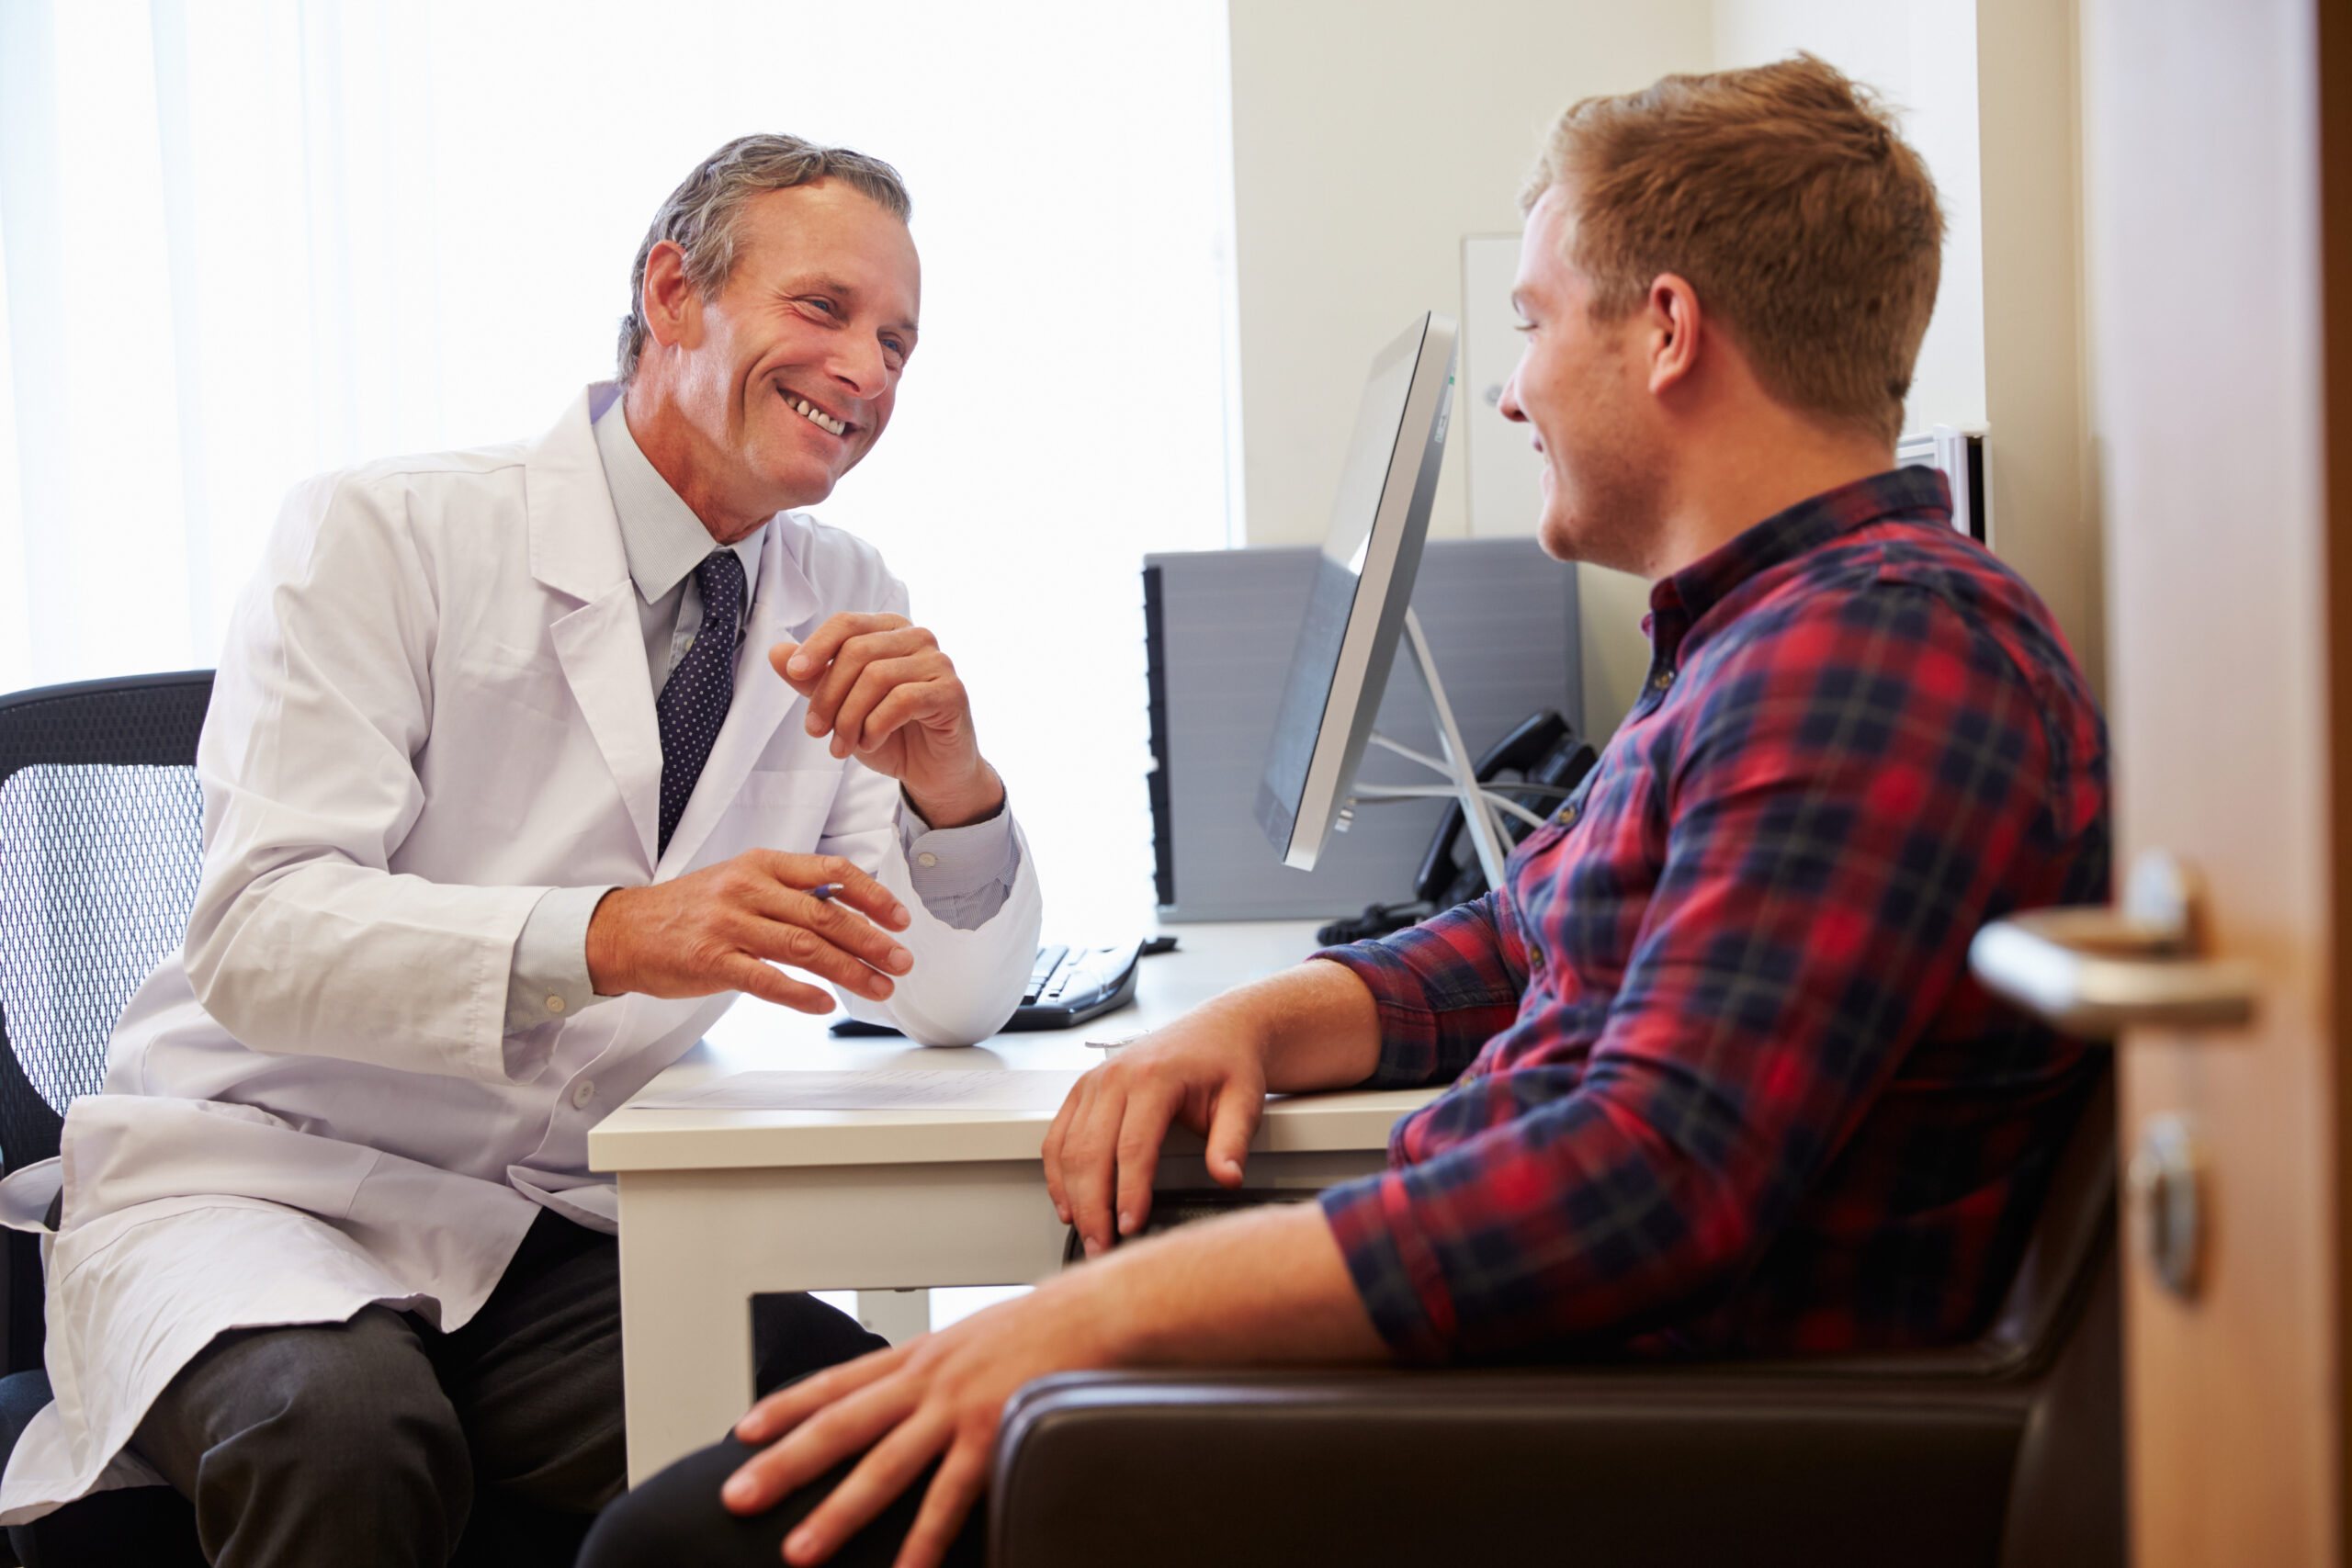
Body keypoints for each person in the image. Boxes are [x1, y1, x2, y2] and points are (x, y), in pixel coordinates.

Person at [580, 53, 2111, 1568]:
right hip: (1542, 1395)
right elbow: (1518, 942)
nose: (1513, 391)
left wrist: (1068, 1331)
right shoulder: (1771, 639)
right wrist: (1250, 1024)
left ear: (1664, 333)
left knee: (679, 1548)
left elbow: (1644, 1182)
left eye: (1533, 324)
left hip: (1617, 1445)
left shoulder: (1876, 654)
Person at [0, 135, 1042, 1565]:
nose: (867, 371)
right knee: (347, 1435)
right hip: (260, 1184)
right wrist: (614, 934)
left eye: (899, 343)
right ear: (673, 295)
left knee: (874, 1433)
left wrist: (954, 786)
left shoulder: (840, 593)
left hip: (548, 1225)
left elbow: (940, 999)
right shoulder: (388, 531)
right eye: (825, 311)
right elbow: (261, 936)